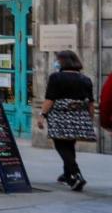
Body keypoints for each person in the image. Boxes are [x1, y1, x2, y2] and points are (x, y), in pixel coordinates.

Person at [37, 50, 95, 191]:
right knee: (69, 144)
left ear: (62, 62)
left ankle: (76, 175)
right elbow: (91, 103)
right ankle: (67, 174)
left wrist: (42, 115)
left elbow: (50, 99)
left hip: (60, 115)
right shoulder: (85, 79)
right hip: (79, 116)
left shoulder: (56, 77)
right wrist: (90, 118)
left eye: (57, 60)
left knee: (61, 145)